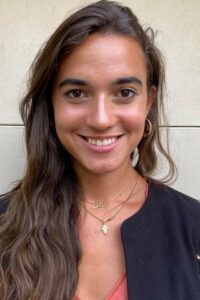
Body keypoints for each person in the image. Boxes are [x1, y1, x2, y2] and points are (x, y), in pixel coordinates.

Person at [0, 0, 200, 299]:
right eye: (77, 93)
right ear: (51, 104)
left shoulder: (193, 227)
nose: (101, 119)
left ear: (149, 100)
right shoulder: (5, 226)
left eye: (124, 93)